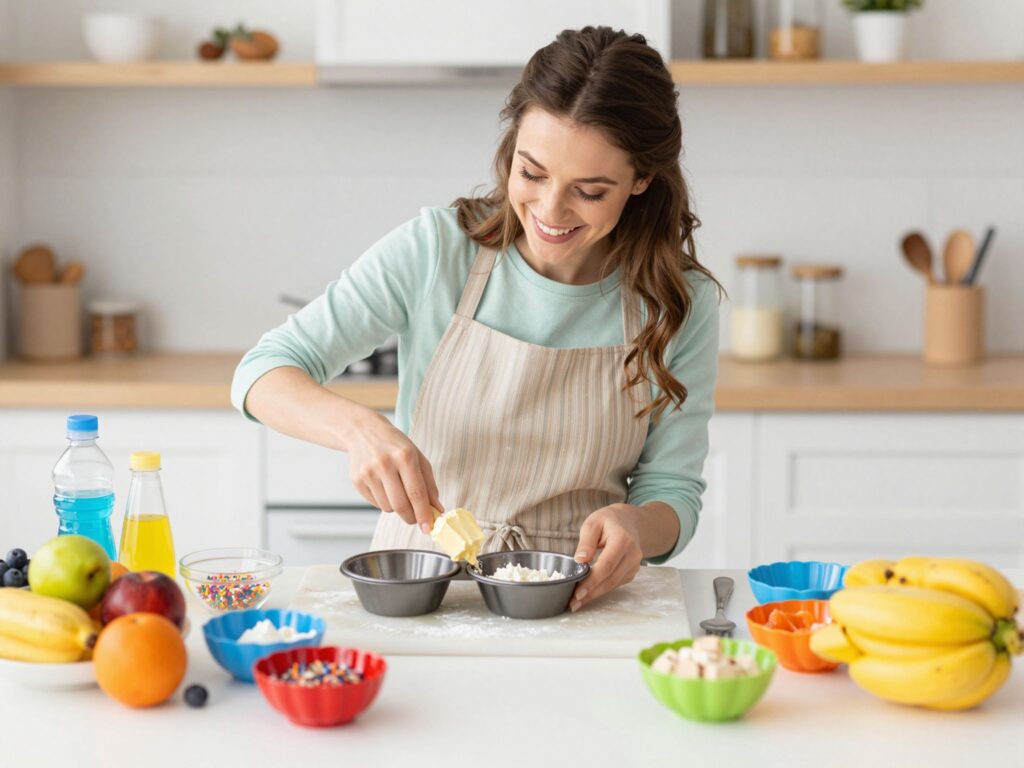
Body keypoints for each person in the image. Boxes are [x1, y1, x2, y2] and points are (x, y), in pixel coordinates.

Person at [232, 26, 721, 612]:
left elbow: (674, 495)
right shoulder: (438, 250)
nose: (550, 210)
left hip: (577, 602)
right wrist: (359, 430)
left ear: (641, 181)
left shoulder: (675, 301)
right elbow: (261, 373)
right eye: (531, 173)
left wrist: (637, 525)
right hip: (421, 590)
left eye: (589, 192)